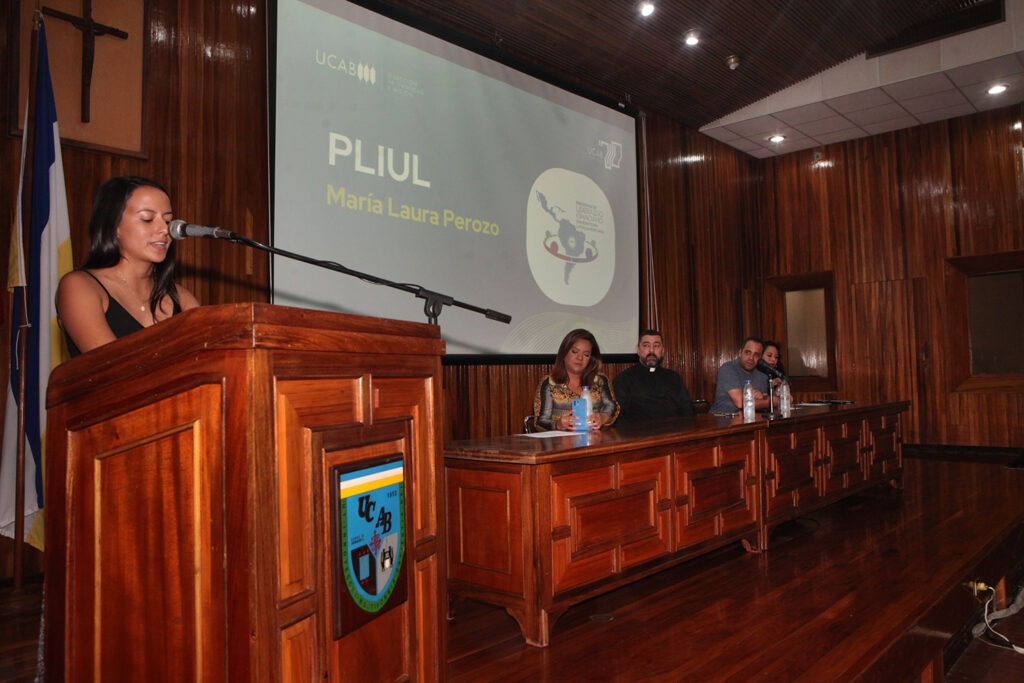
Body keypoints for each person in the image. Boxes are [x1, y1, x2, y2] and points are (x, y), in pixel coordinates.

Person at [56, 176, 200, 357]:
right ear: (113, 225)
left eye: (168, 220)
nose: (165, 230)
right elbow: (112, 365)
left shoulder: (181, 297)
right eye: (147, 219)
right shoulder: (80, 286)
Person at [533, 328, 619, 431]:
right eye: (574, 352)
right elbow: (540, 422)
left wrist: (602, 417)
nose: (580, 358)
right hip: (562, 440)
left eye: (586, 355)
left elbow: (613, 407)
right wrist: (557, 425)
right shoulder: (550, 383)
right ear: (564, 353)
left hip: (597, 439)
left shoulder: (599, 380)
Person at [613, 328, 695, 421]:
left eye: (656, 346)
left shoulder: (674, 377)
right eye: (646, 346)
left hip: (674, 429)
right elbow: (619, 417)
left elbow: (688, 410)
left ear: (662, 351)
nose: (651, 350)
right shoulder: (624, 379)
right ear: (638, 350)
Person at [709, 336, 772, 414]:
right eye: (747, 352)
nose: (751, 358)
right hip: (721, 418)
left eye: (756, 355)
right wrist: (771, 402)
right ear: (740, 353)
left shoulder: (762, 376)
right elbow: (741, 403)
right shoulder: (728, 369)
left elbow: (761, 401)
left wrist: (763, 398)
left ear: (760, 358)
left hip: (750, 418)